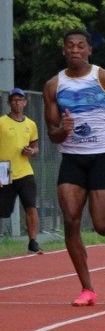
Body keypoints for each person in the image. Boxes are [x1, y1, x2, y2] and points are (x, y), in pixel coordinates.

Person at [42, 29, 105, 306]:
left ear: (89, 51)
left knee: (104, 226)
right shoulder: (53, 85)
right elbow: (52, 132)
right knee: (71, 220)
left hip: (101, 157)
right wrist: (64, 130)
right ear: (63, 51)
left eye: (80, 46)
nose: (75, 50)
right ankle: (87, 288)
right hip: (71, 158)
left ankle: (89, 281)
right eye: (69, 46)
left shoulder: (104, 78)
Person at [0, 88, 43, 253]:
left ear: (25, 102)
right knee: (2, 211)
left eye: (20, 100)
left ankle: (33, 241)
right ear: (9, 103)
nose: (17, 103)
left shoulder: (31, 124)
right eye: (14, 100)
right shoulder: (2, 122)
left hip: (25, 171)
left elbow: (35, 147)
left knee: (31, 205)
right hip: (4, 171)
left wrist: (31, 152)